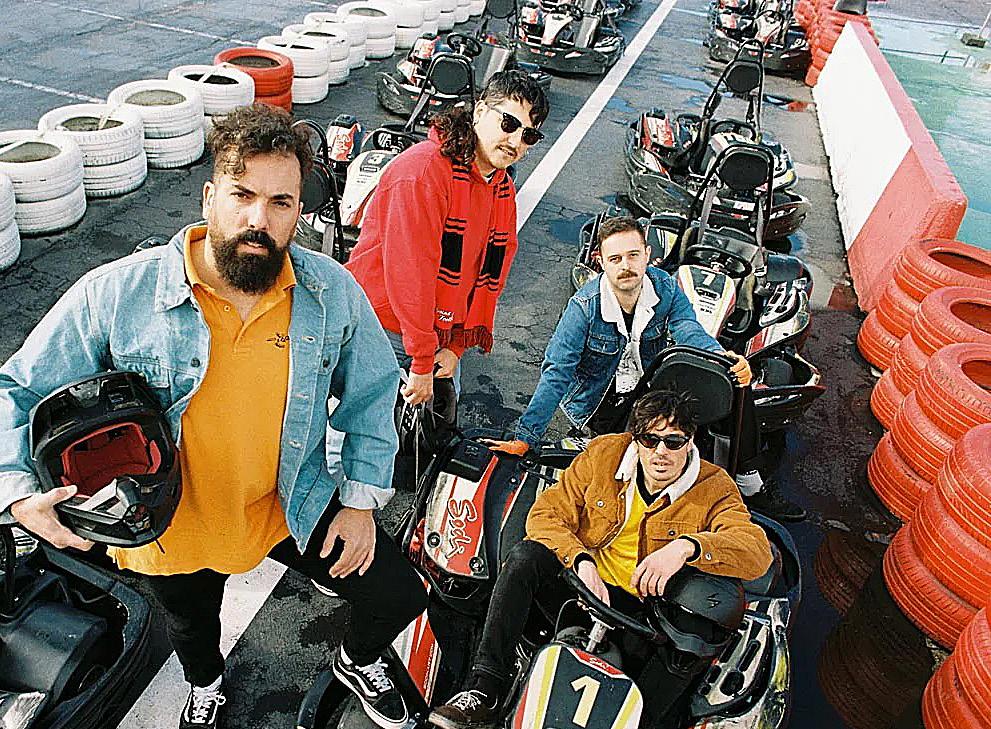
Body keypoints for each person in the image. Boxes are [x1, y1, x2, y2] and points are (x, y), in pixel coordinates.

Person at [0, 104, 426, 729]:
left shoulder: (330, 294)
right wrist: (19, 494)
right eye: (242, 195)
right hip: (170, 523)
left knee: (397, 594)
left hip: (289, 503)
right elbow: (15, 386)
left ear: (299, 212)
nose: (259, 219)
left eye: (281, 202)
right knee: (192, 628)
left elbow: (373, 389)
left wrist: (361, 502)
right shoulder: (116, 293)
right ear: (209, 198)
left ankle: (355, 661)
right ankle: (207, 685)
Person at [430, 389, 774, 729]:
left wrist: (687, 547)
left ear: (690, 441)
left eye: (673, 442)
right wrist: (581, 561)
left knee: (705, 623)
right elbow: (546, 514)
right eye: (650, 440)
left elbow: (757, 551)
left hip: (645, 615)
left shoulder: (715, 487)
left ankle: (644, 720)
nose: (661, 453)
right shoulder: (603, 454)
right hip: (582, 587)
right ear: (635, 439)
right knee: (525, 557)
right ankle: (484, 688)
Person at [488, 215, 806, 522]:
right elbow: (557, 372)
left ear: (647, 255)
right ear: (601, 262)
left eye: (633, 255)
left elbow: (688, 328)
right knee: (632, 464)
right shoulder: (583, 307)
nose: (625, 266)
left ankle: (749, 481)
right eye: (615, 259)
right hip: (601, 403)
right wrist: (527, 436)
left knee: (732, 383)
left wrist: (722, 357)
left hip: (647, 387)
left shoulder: (666, 288)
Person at [346, 70, 549, 404]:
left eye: (529, 135)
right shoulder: (422, 173)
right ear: (480, 111)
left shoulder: (500, 187)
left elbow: (491, 272)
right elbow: (411, 274)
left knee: (434, 425)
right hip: (381, 326)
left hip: (441, 332)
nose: (515, 142)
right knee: (367, 429)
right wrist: (422, 360)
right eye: (509, 124)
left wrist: (455, 346)